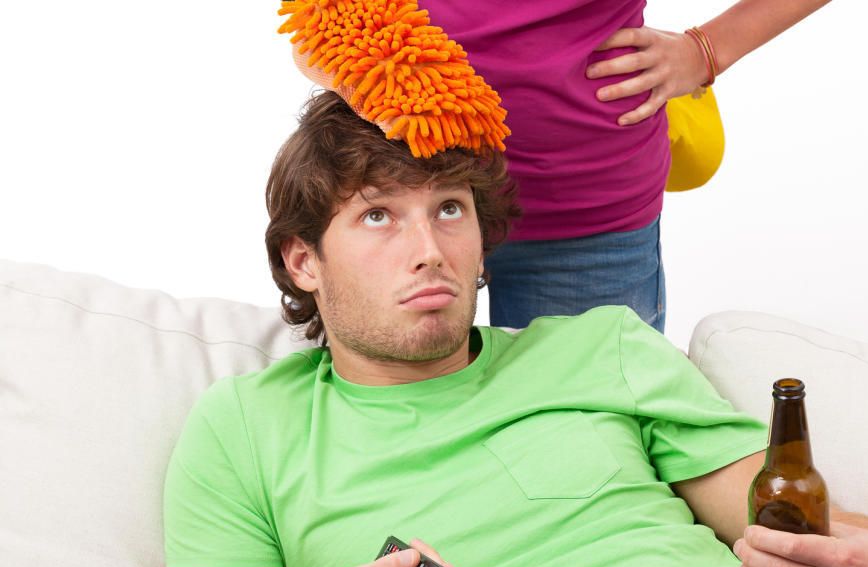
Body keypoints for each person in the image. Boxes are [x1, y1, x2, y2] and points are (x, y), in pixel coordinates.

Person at [160, 90, 868, 567]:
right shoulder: (248, 426)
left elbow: (804, 531)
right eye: (378, 215)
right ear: (303, 260)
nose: (428, 250)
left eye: (450, 209)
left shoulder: (603, 346)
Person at [281, 0, 835, 332]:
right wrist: (352, 59)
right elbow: (318, 24)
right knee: (398, 435)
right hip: (406, 199)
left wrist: (707, 49)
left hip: (582, 215)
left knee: (589, 443)